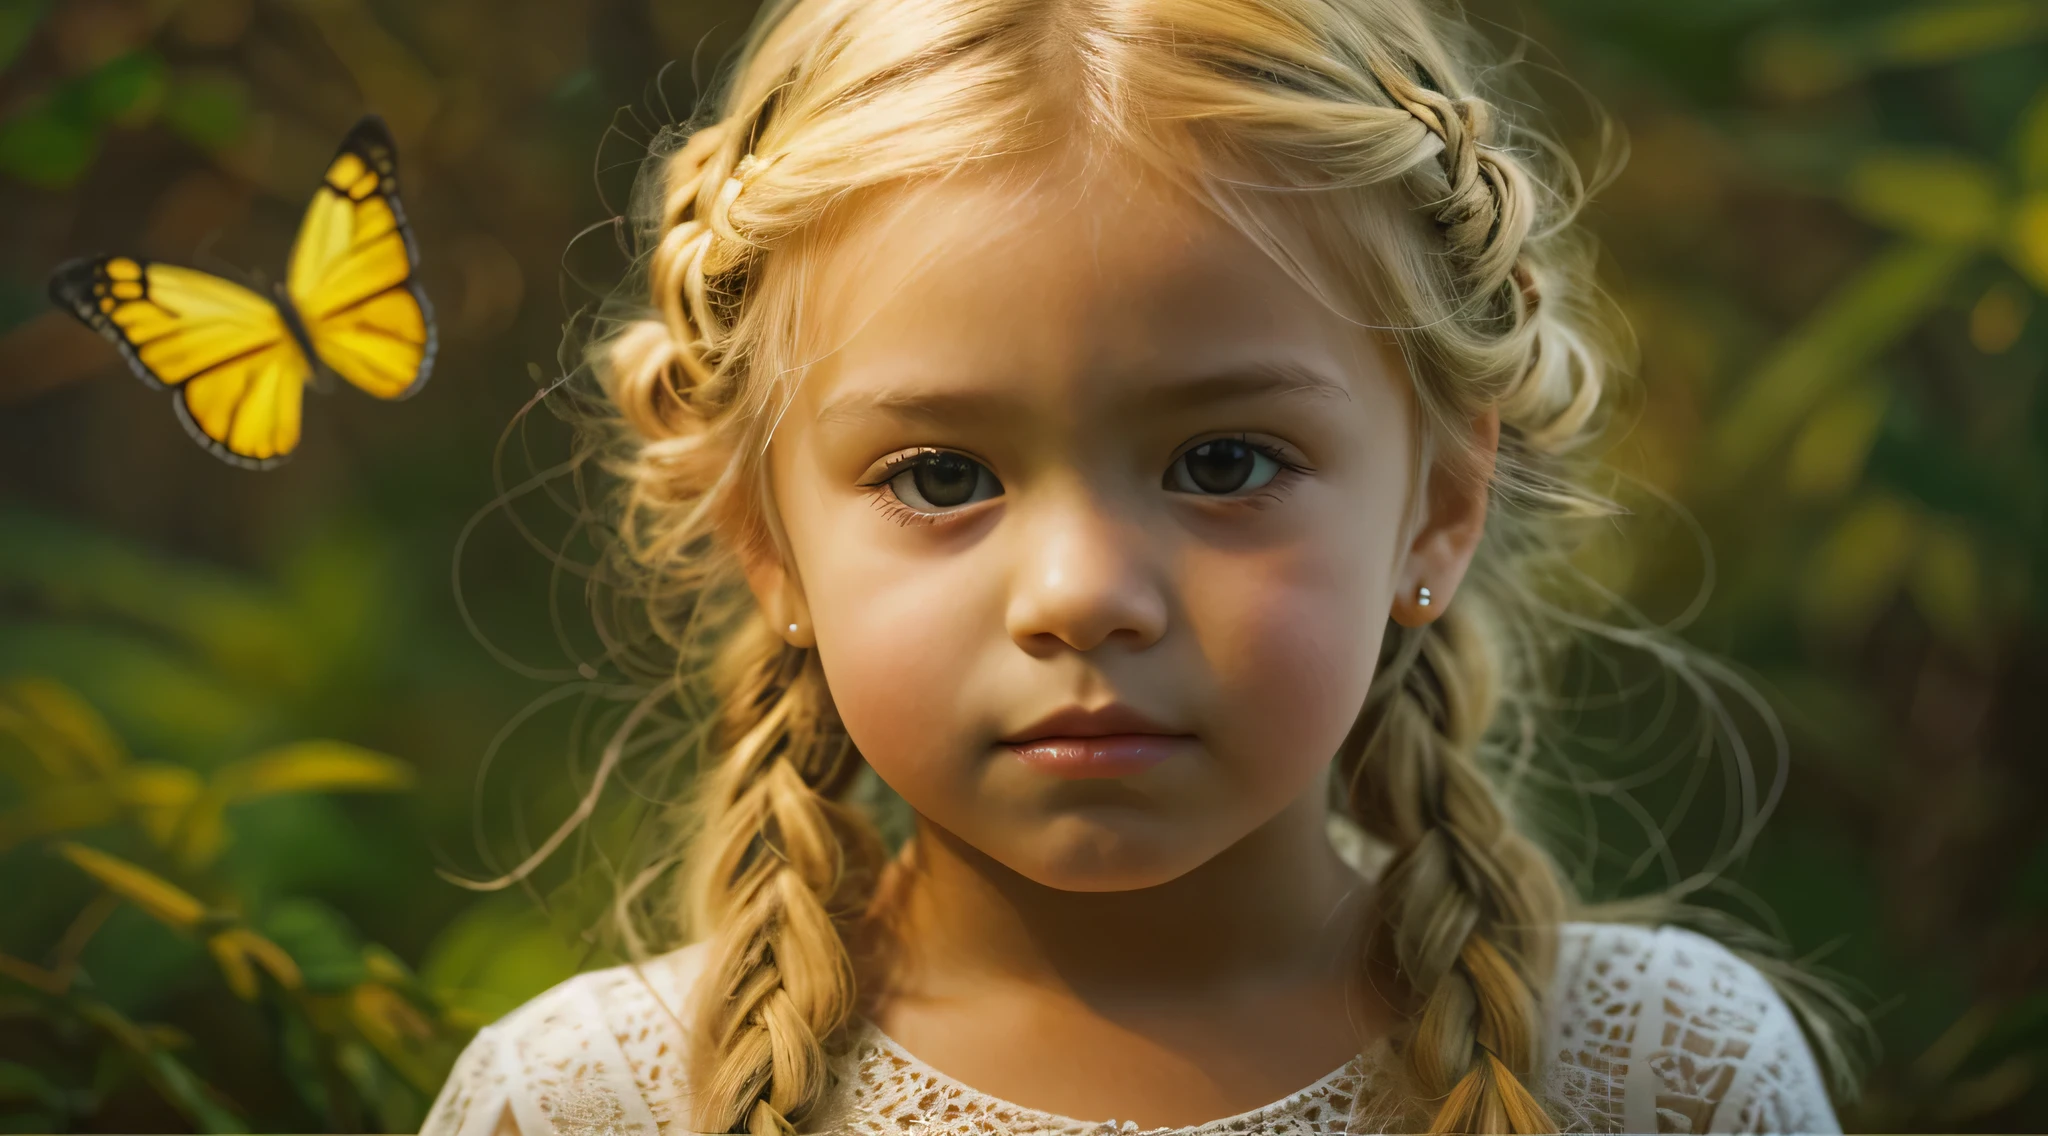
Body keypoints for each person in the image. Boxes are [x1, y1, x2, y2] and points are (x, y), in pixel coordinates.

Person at [421, 0, 1851, 1131]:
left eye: (1223, 464)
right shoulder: (581, 1105)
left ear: (1441, 502)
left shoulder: (1662, 1083)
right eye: (941, 478)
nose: (1083, 593)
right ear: (763, 535)